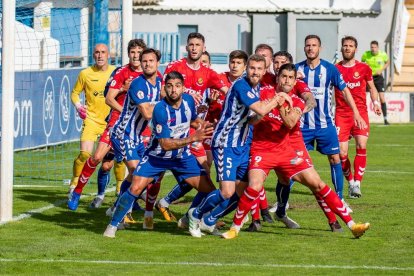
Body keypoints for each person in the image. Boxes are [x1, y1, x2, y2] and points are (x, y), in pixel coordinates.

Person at [221, 64, 371, 239]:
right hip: (263, 149)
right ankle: (234, 228)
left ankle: (352, 225)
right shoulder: (263, 93)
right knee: (254, 185)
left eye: (291, 78)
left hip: (287, 151)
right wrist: (274, 102)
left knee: (318, 184)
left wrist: (281, 103)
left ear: (295, 81)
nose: (287, 80)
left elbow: (290, 123)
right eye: (283, 76)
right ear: (277, 78)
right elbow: (253, 120)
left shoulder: (298, 101)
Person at [187, 54, 290, 238]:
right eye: (252, 68)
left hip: (242, 146)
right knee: (227, 191)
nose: (255, 72)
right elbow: (261, 109)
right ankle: (194, 215)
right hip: (225, 143)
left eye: (259, 69)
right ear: (246, 69)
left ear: (264, 70)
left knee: (244, 192)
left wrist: (263, 112)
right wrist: (279, 97)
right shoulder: (242, 85)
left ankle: (209, 221)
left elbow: (252, 118)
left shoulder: (256, 87)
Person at [103, 71, 216, 238]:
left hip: (182, 157)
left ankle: (189, 217)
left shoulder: (189, 101)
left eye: (177, 86)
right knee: (135, 187)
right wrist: (193, 138)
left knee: (211, 191)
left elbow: (192, 119)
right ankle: (113, 225)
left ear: (183, 88)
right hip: (156, 157)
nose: (173, 90)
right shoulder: (160, 110)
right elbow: (165, 144)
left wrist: (205, 125)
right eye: (169, 86)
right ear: (165, 88)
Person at [154, 33, 228, 223]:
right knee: (152, 175)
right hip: (173, 130)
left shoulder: (208, 72)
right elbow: (162, 92)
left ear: (203, 48)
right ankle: (137, 209)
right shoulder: (175, 66)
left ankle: (190, 213)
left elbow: (228, 93)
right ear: (186, 47)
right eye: (191, 45)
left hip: (194, 133)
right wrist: (184, 92)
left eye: (198, 45)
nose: (194, 48)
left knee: (202, 174)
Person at [67, 39, 147, 211]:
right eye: (132, 52)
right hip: (116, 123)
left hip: (138, 128)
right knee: (96, 157)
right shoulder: (120, 72)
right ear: (128, 53)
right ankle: (77, 191)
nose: (135, 55)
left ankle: (129, 200)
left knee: (137, 168)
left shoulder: (150, 74)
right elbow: (109, 97)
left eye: (139, 52)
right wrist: (123, 91)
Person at [296, 35, 366, 208]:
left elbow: (345, 91)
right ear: (304, 48)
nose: (311, 48)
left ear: (320, 48)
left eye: (314, 45)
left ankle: (340, 198)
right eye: (308, 45)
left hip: (325, 125)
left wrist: (356, 113)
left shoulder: (330, 69)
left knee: (335, 159)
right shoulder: (297, 70)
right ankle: (282, 204)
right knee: (294, 162)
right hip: (302, 126)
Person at [336, 36, 381, 199]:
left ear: (356, 49)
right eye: (345, 46)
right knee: (342, 153)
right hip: (341, 114)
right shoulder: (335, 68)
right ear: (341, 48)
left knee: (361, 145)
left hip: (360, 113)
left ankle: (358, 183)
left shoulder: (364, 68)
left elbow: (372, 87)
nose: (347, 48)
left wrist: (375, 102)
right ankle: (350, 181)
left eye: (351, 46)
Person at [69, 44, 115, 198]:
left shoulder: (116, 72)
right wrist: (78, 106)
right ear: (93, 55)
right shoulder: (85, 73)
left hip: (110, 123)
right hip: (91, 120)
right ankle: (75, 181)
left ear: (108, 55)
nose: (100, 55)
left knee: (112, 161)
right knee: (85, 154)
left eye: (103, 52)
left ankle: (120, 186)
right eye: (97, 52)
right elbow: (75, 93)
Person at [362, 40, 390, 125]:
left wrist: (381, 69)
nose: (373, 49)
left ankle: (385, 119)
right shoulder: (366, 54)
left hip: (378, 78)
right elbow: (362, 63)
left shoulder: (383, 55)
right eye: (372, 47)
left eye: (374, 47)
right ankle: (362, 117)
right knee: (363, 96)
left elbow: (388, 62)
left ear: (378, 48)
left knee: (381, 97)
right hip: (368, 78)